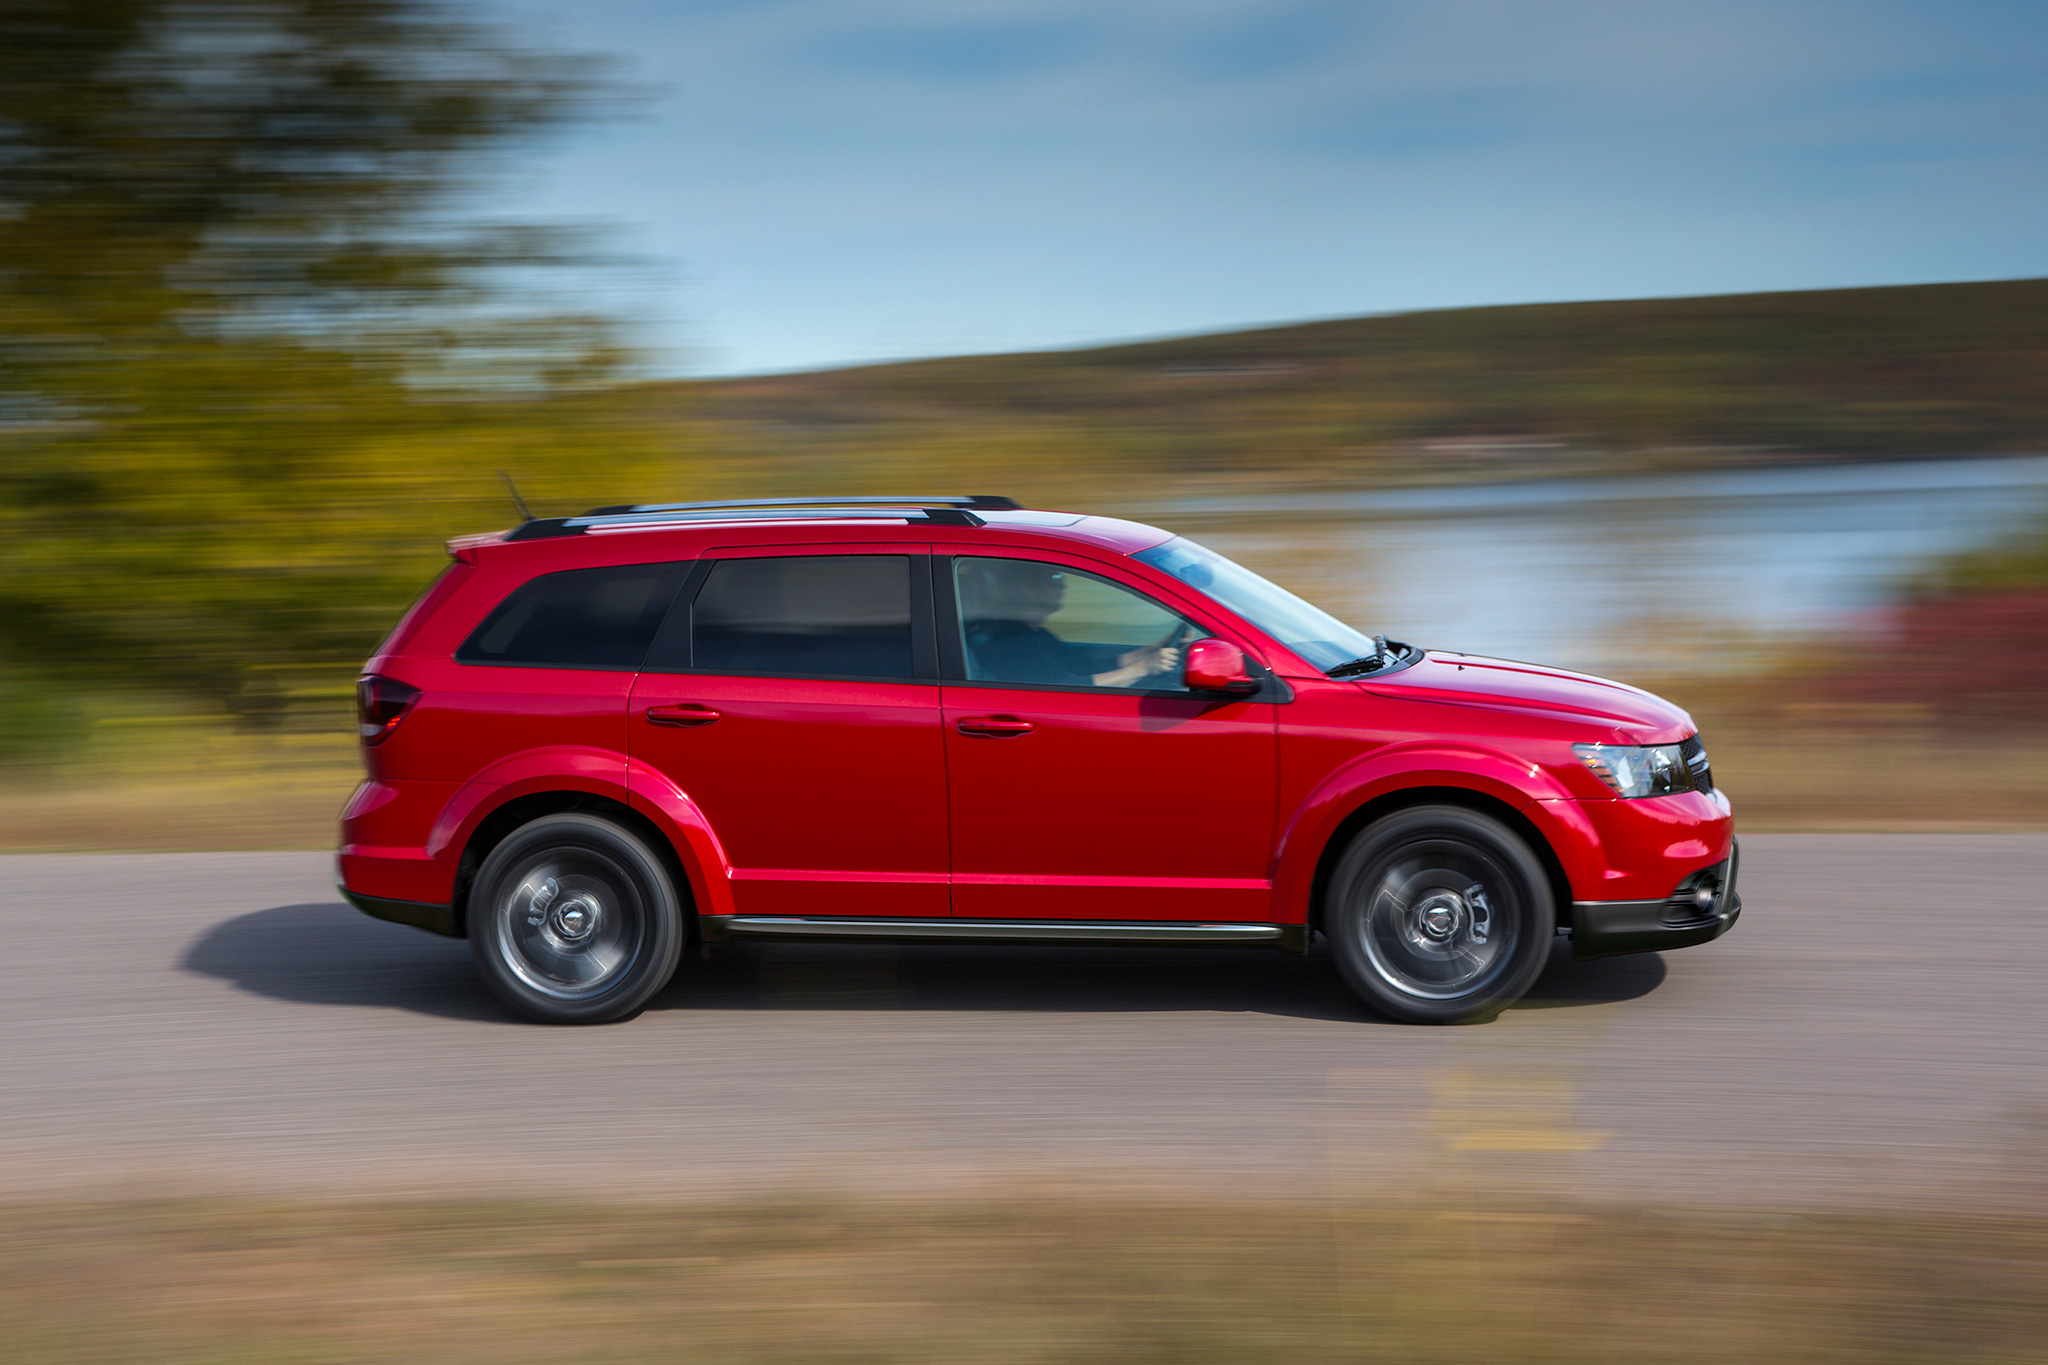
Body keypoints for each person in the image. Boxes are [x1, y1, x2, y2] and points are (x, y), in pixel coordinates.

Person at [957, 558, 1184, 688]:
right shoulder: (1010, 643)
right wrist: (1144, 668)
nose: (1062, 585)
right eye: (1053, 578)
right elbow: (1069, 686)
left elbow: (1084, 666)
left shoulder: (1033, 635)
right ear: (1025, 589)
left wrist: (1151, 651)